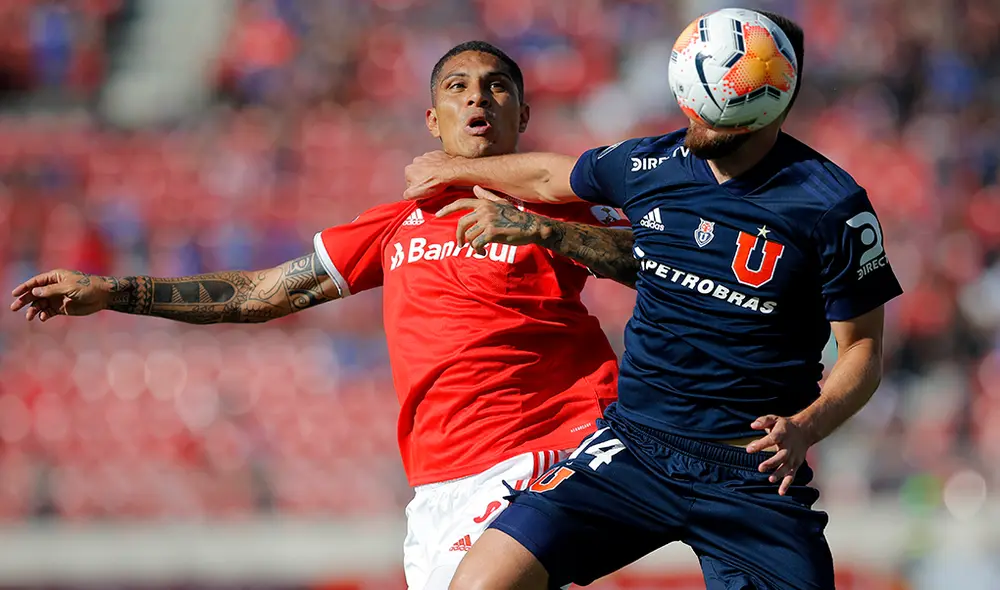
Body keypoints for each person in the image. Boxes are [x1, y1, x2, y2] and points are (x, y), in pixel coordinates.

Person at [9, 41, 637, 590]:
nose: (478, 98)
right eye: (457, 87)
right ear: (432, 119)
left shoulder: (561, 204)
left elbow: (650, 264)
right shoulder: (395, 228)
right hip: (444, 485)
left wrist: (540, 230)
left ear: (522, 114)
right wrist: (115, 290)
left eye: (497, 86)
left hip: (552, 448)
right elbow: (262, 294)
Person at [404, 12, 903, 590]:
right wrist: (457, 167)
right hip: (634, 447)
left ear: (774, 106)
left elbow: (863, 348)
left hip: (752, 472)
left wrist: (806, 427)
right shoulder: (652, 162)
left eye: (720, 121)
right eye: (695, 109)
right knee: (479, 586)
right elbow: (550, 176)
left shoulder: (832, 207)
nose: (699, 127)